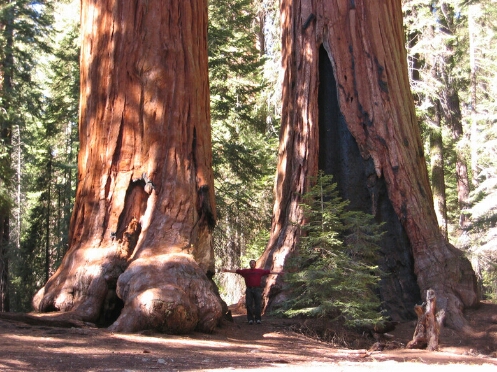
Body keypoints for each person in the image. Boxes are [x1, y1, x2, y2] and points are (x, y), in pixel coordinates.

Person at [222, 260, 283, 325]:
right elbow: (236, 271)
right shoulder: (245, 271)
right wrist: (227, 270)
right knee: (249, 304)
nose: (252, 264)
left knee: (258, 304)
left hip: (257, 289)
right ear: (249, 264)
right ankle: (250, 319)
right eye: (251, 263)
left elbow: (269, 272)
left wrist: (278, 273)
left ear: (255, 264)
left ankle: (258, 319)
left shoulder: (259, 271)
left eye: (253, 263)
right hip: (249, 289)